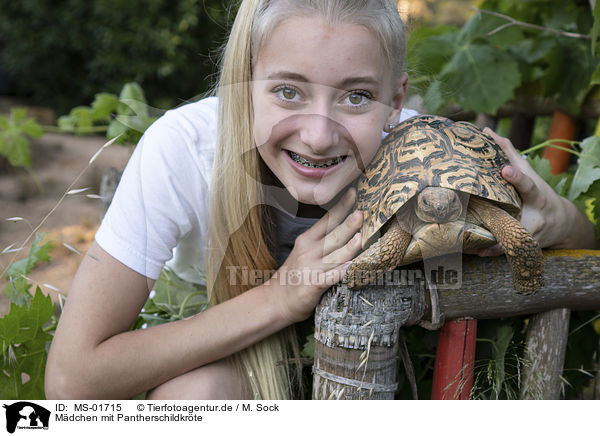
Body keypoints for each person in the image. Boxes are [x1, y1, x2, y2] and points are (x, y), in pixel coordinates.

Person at [45, 0, 598, 400]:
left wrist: (555, 221)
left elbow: (583, 250)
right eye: (288, 90)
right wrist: (281, 298)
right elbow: (70, 382)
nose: (317, 135)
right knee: (197, 393)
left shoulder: (426, 158)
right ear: (245, 81)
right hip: (232, 341)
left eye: (357, 97)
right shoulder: (184, 152)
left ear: (395, 102)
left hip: (386, 359)